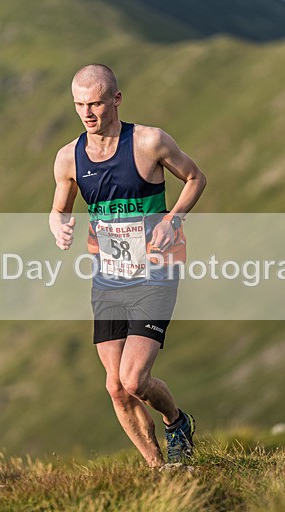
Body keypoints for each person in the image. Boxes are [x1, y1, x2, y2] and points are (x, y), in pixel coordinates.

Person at [49, 64, 207, 467]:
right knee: (116, 388)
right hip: (107, 279)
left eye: (96, 103)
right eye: (80, 104)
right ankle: (161, 471)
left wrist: (174, 219)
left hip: (156, 274)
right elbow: (60, 208)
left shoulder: (149, 141)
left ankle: (177, 422)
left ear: (116, 99)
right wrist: (59, 226)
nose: (87, 113)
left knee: (134, 379)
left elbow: (195, 178)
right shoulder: (69, 157)